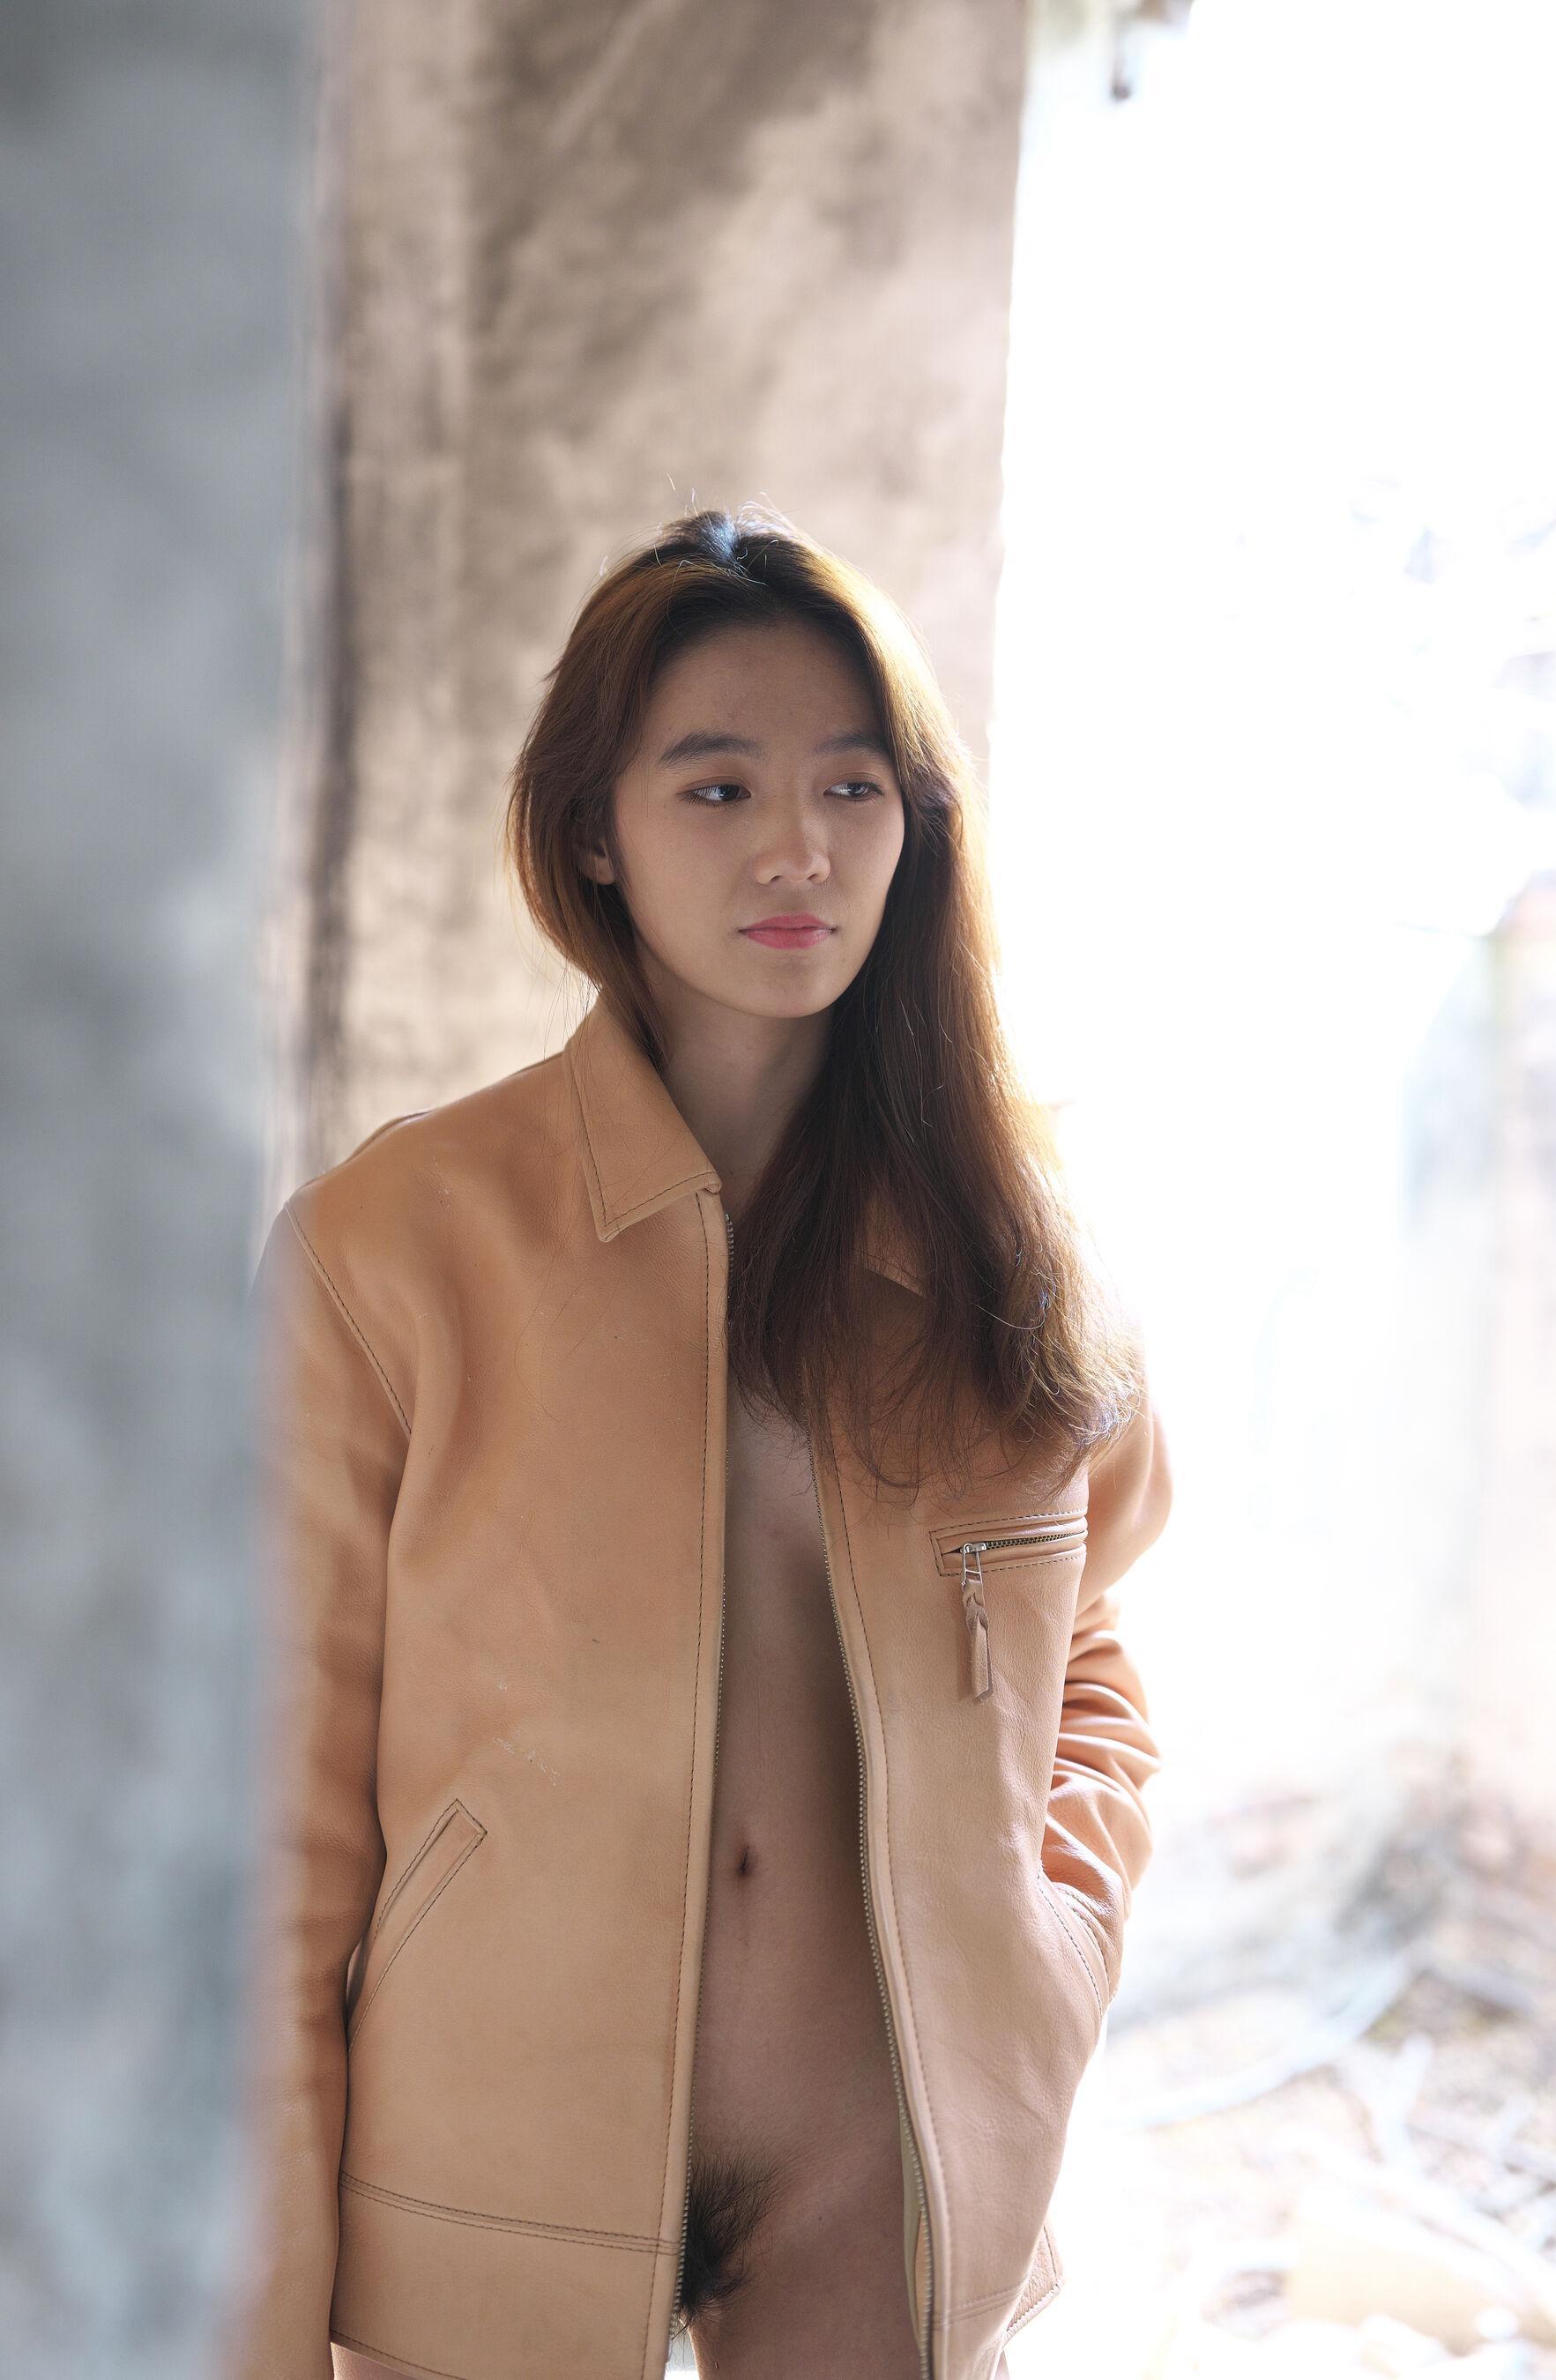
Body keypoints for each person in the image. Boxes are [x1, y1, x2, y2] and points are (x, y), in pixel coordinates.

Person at [232, 504, 1173, 2380]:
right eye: (719, 787)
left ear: (915, 825)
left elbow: (1090, 1641)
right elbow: (272, 1834)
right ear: (596, 825)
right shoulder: (393, 1248)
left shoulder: (1012, 1248)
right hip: (483, 2169)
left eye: (852, 787)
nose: (797, 849)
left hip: (884, 2179)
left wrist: (1054, 1926)